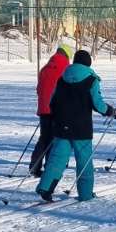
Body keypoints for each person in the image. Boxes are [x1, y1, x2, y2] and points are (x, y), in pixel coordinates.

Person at [36, 50, 116, 202]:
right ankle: (85, 194)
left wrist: (57, 117)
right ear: (88, 63)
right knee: (84, 162)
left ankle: (45, 187)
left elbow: (52, 102)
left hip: (62, 126)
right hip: (81, 128)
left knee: (57, 159)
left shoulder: (62, 78)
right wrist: (111, 111)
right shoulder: (91, 79)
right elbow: (98, 105)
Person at [30, 41, 73, 176]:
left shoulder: (45, 68)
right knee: (57, 139)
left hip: (43, 109)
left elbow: (39, 89)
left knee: (44, 138)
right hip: (58, 109)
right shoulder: (66, 68)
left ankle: (34, 166)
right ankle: (50, 167)